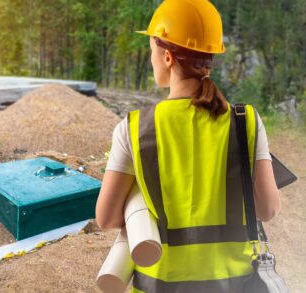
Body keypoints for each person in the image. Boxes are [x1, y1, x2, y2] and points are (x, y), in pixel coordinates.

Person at [95, 0, 281, 292]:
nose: (152, 58)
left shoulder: (134, 129)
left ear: (167, 56)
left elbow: (106, 218)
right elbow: (268, 208)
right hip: (233, 285)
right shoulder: (245, 121)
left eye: (152, 50)